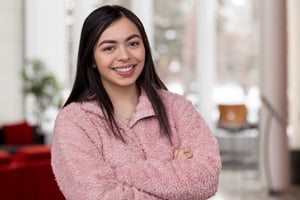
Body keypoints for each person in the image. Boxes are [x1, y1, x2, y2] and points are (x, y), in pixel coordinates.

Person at [51, 4, 221, 200]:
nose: (124, 56)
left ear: (145, 48)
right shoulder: (74, 121)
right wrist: (174, 170)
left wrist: (119, 173)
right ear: (92, 59)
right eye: (109, 48)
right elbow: (96, 196)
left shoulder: (178, 108)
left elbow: (207, 177)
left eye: (133, 44)